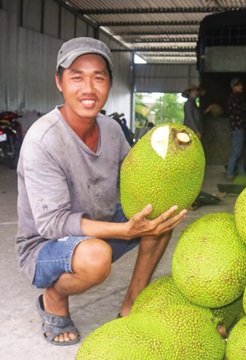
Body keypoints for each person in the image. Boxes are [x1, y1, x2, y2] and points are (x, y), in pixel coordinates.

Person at [15, 37, 187, 346]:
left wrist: (176, 156)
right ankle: (53, 298)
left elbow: (135, 174)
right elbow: (52, 223)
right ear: (59, 81)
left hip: (99, 225)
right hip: (45, 247)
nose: (88, 88)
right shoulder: (44, 139)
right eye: (77, 76)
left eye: (98, 77)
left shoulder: (110, 129)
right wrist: (124, 230)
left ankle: (131, 306)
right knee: (97, 256)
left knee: (160, 218)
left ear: (109, 83)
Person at [226, 78, 246, 180]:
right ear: (233, 87)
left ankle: (241, 173)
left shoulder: (237, 98)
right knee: (236, 152)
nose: (241, 87)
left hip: (239, 128)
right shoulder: (233, 99)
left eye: (241, 85)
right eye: (238, 85)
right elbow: (239, 110)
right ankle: (229, 172)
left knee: (240, 152)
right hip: (238, 128)